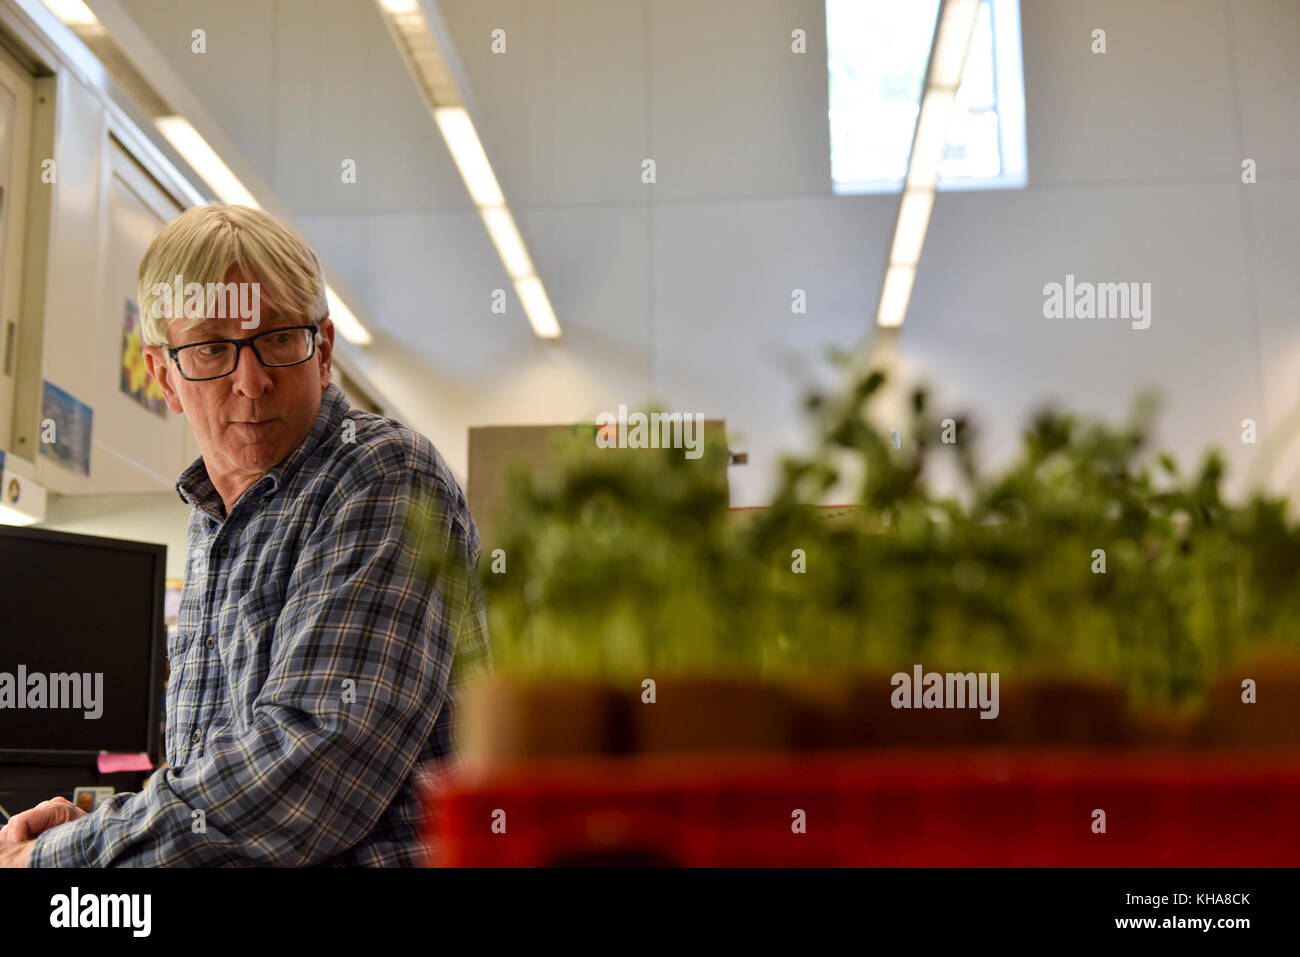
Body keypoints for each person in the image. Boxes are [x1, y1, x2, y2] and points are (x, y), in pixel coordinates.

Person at [0, 205, 490, 866]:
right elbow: (224, 777)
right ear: (164, 374)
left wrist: (61, 859)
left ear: (324, 351)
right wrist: (97, 820)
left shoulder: (379, 474)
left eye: (279, 337)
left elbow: (313, 771)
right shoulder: (215, 517)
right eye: (209, 347)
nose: (251, 380)